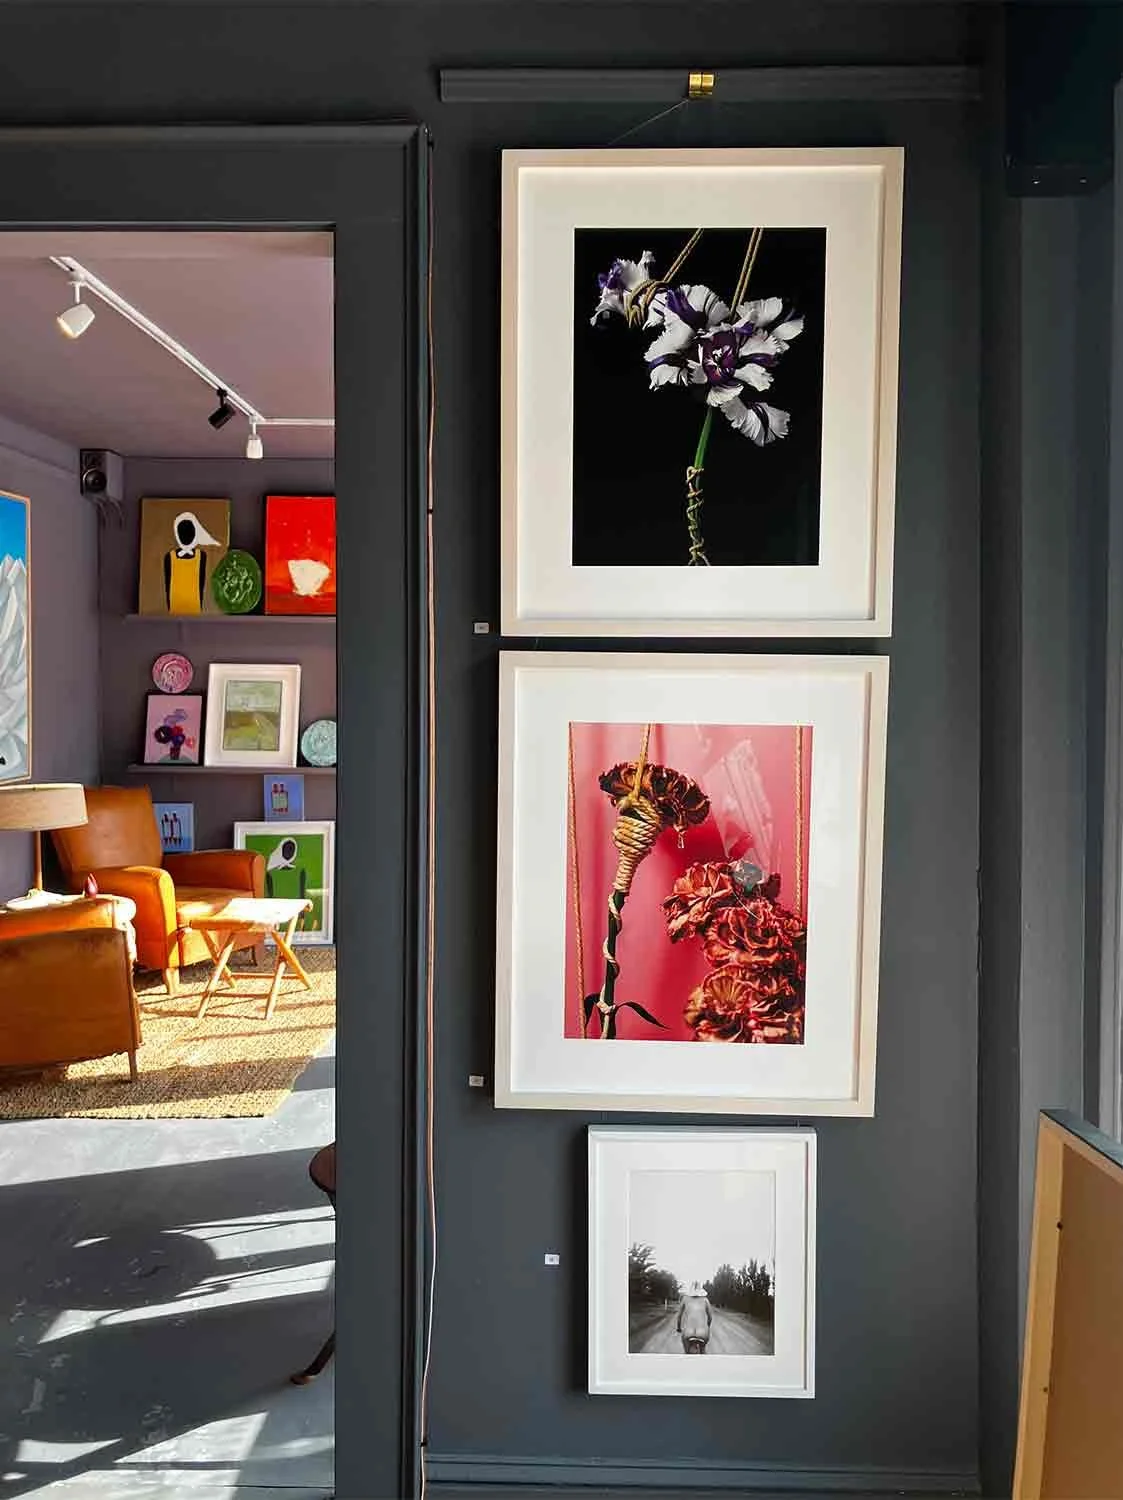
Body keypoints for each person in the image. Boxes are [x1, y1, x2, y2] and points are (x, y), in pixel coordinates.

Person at [676, 1281, 712, 1353]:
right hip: (702, 1333)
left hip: (688, 1332)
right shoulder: (705, 1300)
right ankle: (703, 1354)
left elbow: (679, 1317)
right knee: (703, 1350)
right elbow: (710, 1317)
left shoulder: (685, 1299)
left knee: (686, 1352)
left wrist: (679, 1328)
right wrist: (707, 1326)